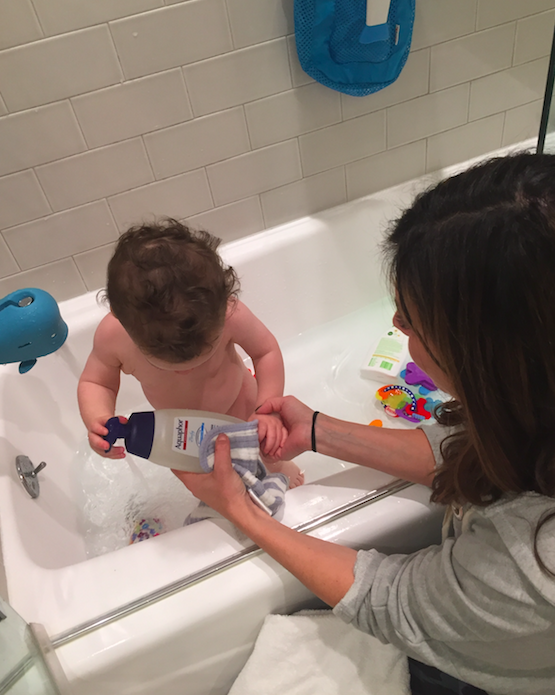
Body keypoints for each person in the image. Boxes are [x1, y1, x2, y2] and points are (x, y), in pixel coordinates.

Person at [173, 153, 555, 695]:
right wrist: (317, 430)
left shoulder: (534, 560)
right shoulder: (536, 405)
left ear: (491, 359)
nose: (395, 322)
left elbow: (391, 600)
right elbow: (478, 452)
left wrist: (240, 509)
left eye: (412, 320)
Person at [77, 218, 304, 487]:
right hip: (179, 431)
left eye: (204, 354)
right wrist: (98, 419)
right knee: (206, 479)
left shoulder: (230, 314)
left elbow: (265, 351)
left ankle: (278, 468)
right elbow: (97, 382)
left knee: (267, 450)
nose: (189, 369)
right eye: (172, 364)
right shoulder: (114, 337)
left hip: (240, 405)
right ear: (120, 317)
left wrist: (267, 407)